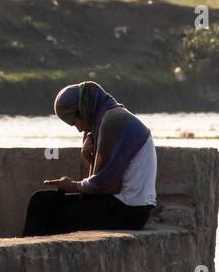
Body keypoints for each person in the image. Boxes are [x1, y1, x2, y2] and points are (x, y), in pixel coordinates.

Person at [22, 81, 157, 236]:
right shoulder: (107, 118)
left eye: (75, 122)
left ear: (83, 111)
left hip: (130, 210)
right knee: (40, 201)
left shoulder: (112, 122)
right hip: (120, 202)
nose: (79, 129)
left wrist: (73, 185)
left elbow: (108, 186)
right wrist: (88, 157)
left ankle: (33, 255)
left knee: (55, 218)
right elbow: (104, 179)